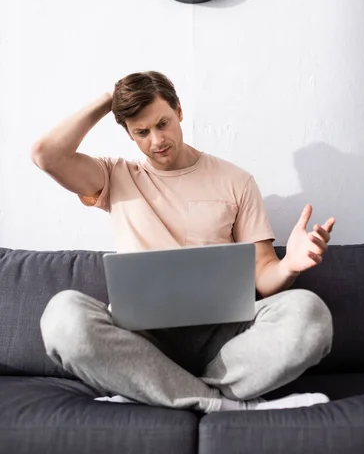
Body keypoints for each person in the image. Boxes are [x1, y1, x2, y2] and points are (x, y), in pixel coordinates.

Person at [32, 71, 335, 413]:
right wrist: (110, 98)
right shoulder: (114, 176)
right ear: (129, 134)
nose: (156, 140)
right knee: (62, 317)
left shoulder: (236, 180)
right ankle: (228, 405)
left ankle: (160, 391)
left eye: (162, 123)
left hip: (225, 345)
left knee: (310, 314)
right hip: (140, 342)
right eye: (141, 132)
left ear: (179, 110)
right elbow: (47, 155)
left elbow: (264, 276)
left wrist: (289, 265)